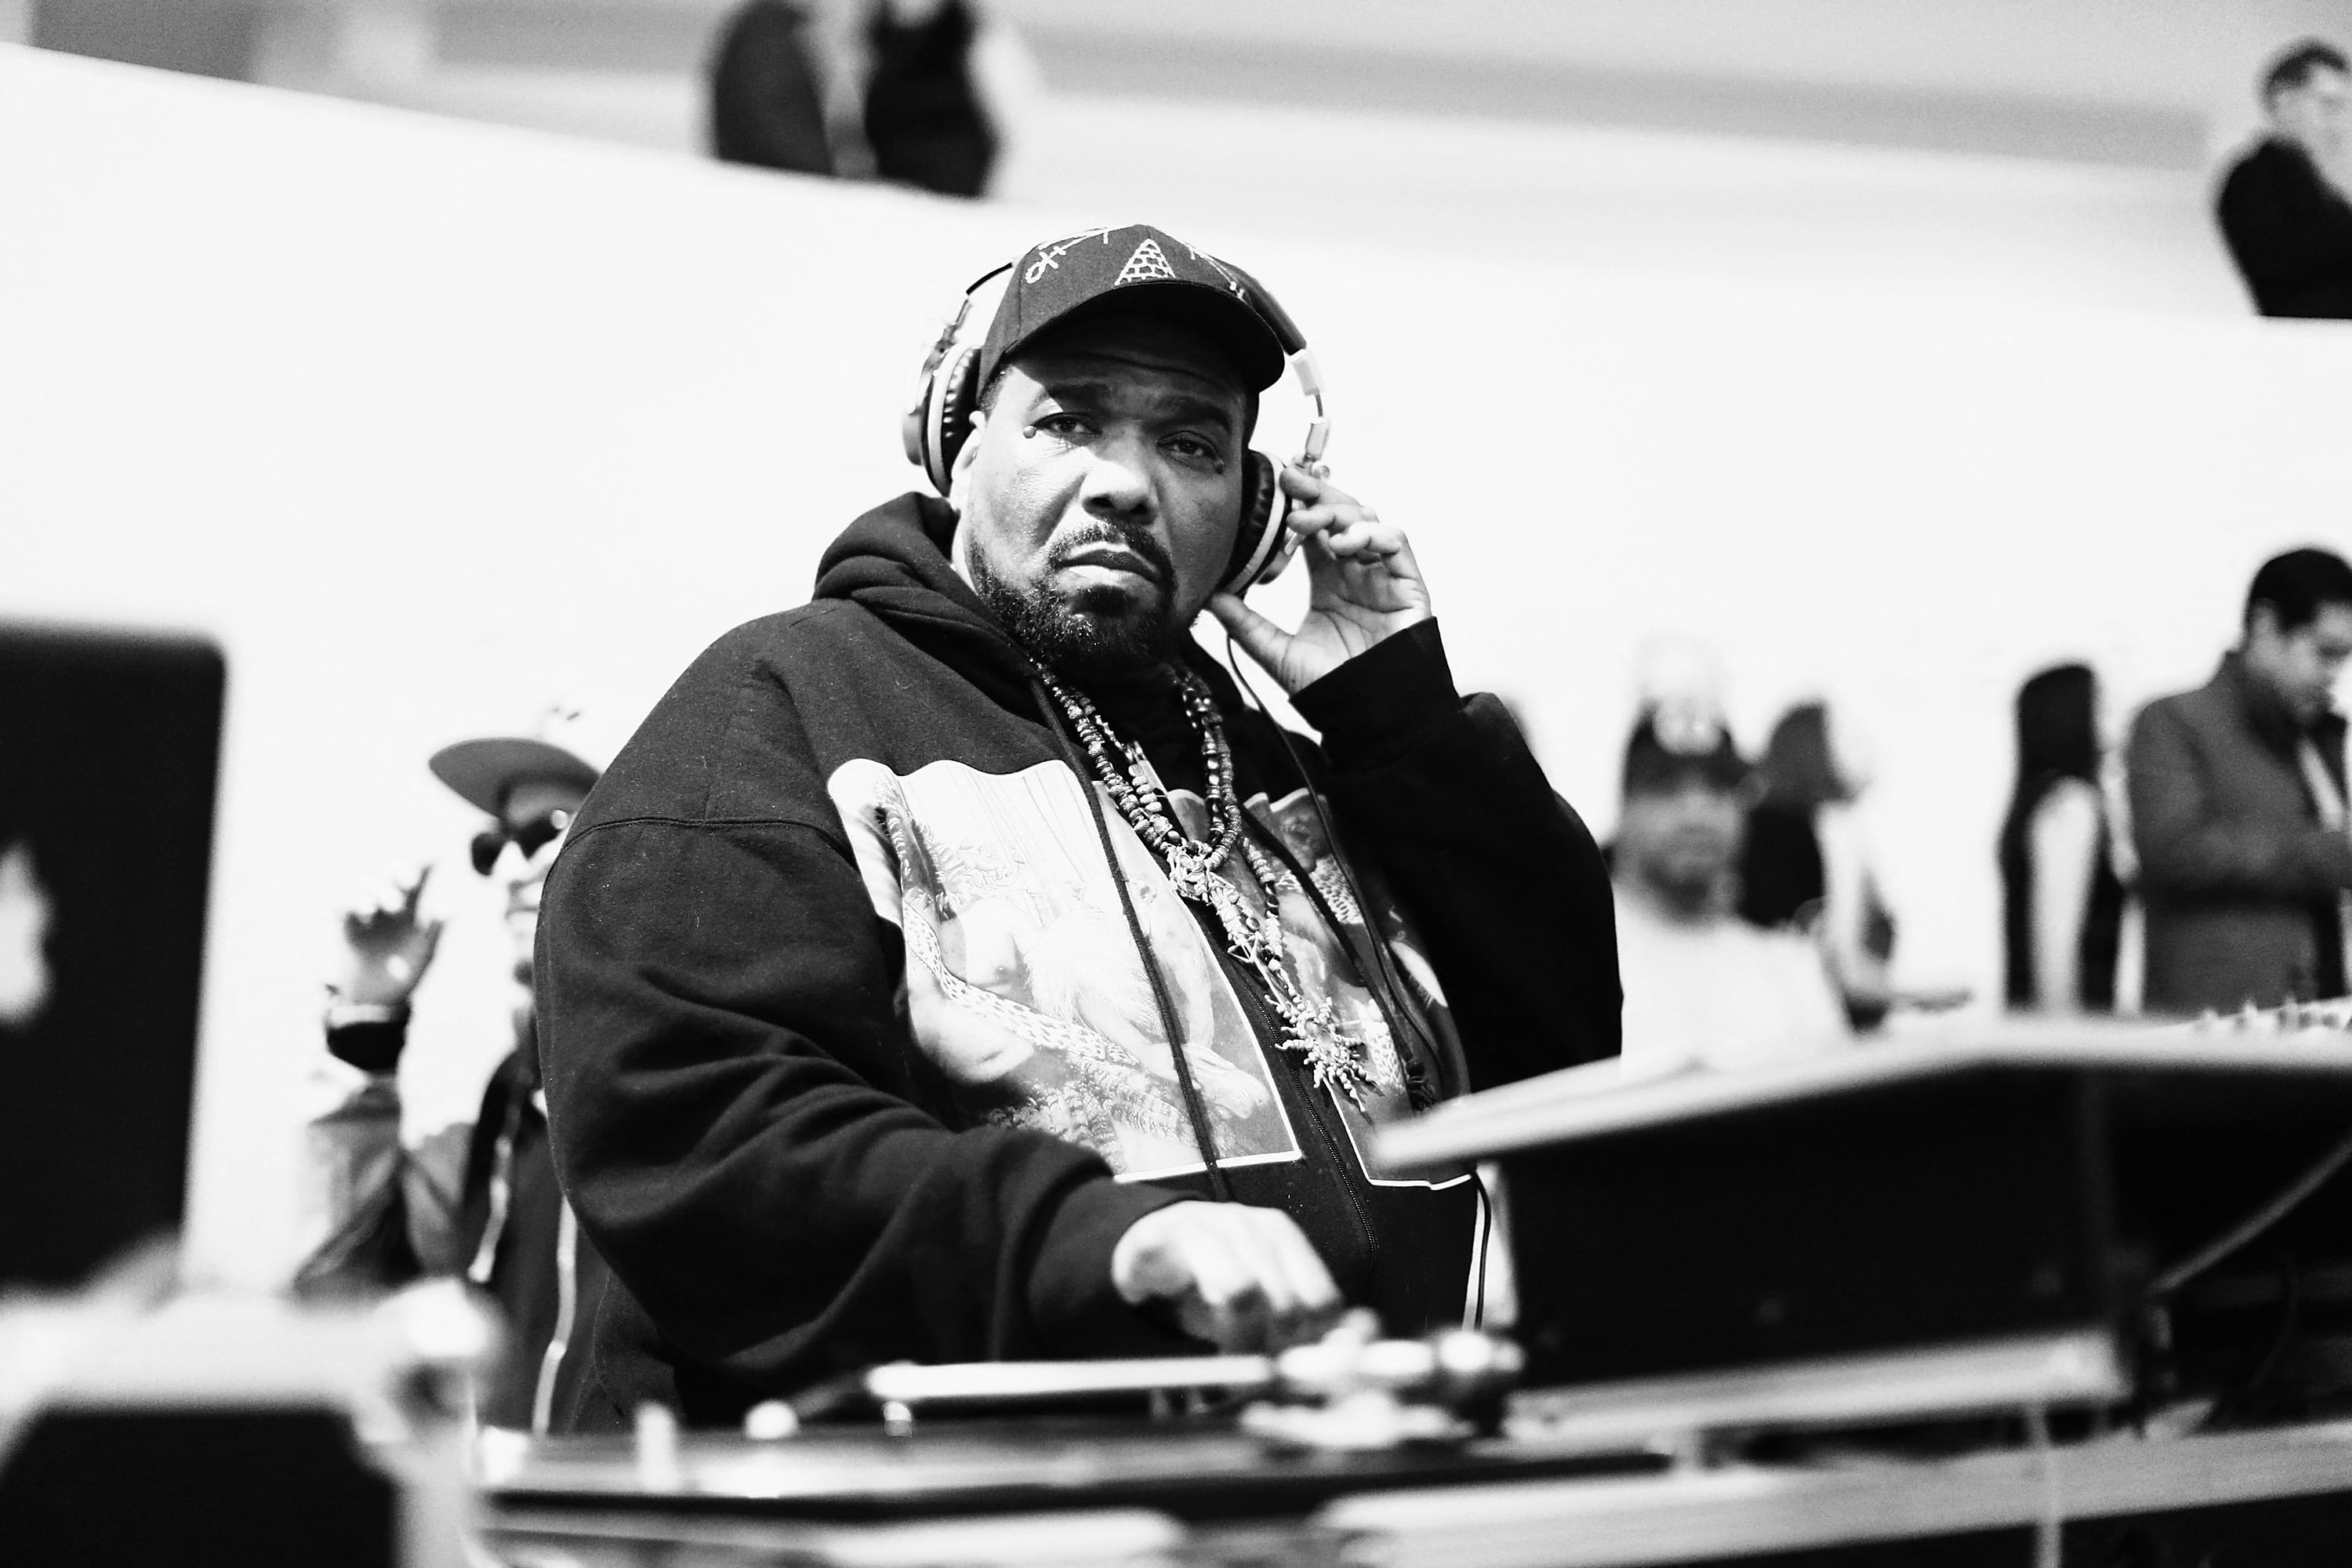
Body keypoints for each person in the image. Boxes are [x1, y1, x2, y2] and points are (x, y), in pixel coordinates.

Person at [533, 223, 1621, 1429]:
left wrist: (1400, 720)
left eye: (1191, 442)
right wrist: (1086, 1242)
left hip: (1334, 1503)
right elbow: (696, 1135)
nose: (1125, 480)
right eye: (1069, 422)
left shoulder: (1313, 774)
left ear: (1257, 511)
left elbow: (1562, 1050)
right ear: (959, 444)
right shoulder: (778, 710)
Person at [295, 725, 608, 1432]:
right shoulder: (500, 1118)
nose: (505, 871)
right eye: (492, 845)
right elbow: (341, 1288)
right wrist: (365, 1022)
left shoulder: (704, 1086)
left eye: (546, 831)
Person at [2128, 547, 2352, 1014]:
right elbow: (2178, 852)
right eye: (2325, 652)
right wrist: (2334, 852)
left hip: (2314, 1033)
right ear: (2266, 628)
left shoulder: (2318, 739)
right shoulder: (2171, 722)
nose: (2334, 675)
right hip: (2214, 1041)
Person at [1610, 703, 1849, 1073]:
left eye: (1718, 788)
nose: (1695, 814)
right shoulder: (1576, 960)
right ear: (1625, 808)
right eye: (1666, 789)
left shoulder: (1790, 967)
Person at [707, 0, 1031, 198]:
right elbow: (772, 130)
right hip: (881, 200)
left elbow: (1014, 132)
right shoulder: (775, 33)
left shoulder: (975, 38)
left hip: (952, 203)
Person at [1737, 700, 1900, 1029]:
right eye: (1853, 740)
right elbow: (1845, 964)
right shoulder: (1834, 829)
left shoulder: (1757, 826)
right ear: (1814, 749)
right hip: (1821, 1025)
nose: (1869, 750)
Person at [1999, 664, 2125, 1015]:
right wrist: (2065, 1052)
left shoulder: (2045, 802)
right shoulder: (2070, 805)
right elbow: (2056, 951)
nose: (2116, 718)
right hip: (2066, 1041)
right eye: (2103, 705)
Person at [2216, 40, 2352, 319]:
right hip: (2310, 343)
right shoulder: (2251, 179)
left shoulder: (2316, 182)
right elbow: (2289, 269)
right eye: (2328, 104)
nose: (2339, 120)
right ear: (2285, 101)